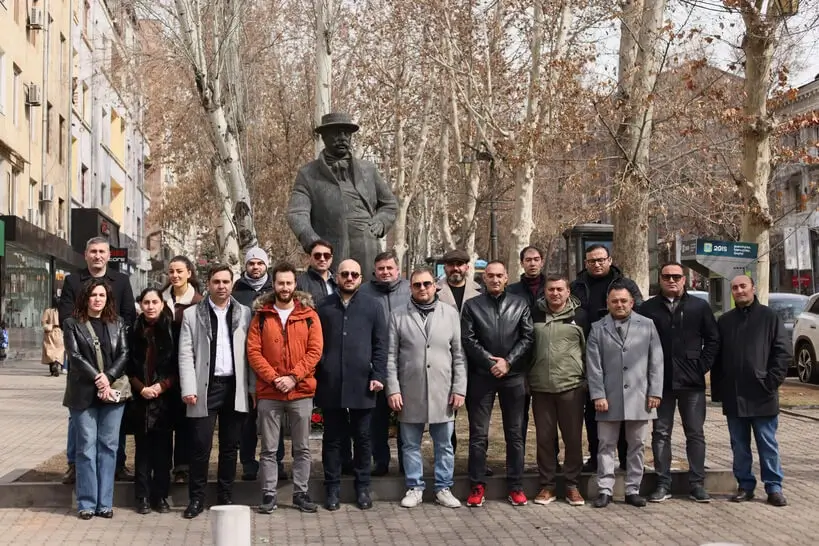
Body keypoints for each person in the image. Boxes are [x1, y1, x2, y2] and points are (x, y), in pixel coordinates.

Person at [247, 262, 323, 514]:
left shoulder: (309, 315)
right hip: (270, 392)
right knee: (269, 449)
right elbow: (254, 352)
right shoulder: (261, 316)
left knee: (302, 447)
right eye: (280, 283)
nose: (285, 287)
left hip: (301, 391)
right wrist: (274, 378)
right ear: (274, 284)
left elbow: (315, 351)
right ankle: (269, 494)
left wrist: (293, 377)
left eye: (289, 283)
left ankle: (301, 493)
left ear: (295, 284)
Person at [386, 267, 466, 509]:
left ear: (435, 286)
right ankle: (415, 487)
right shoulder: (398, 315)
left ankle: (443, 488)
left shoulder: (450, 314)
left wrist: (459, 388)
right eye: (417, 284)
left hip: (443, 390)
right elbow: (390, 357)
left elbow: (459, 355)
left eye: (427, 284)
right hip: (410, 390)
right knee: (410, 444)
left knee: (444, 444)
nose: (422, 288)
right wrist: (393, 389)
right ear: (410, 288)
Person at [178, 264, 253, 519]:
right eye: (216, 282)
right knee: (200, 446)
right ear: (208, 284)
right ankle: (196, 499)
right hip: (205, 388)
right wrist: (189, 388)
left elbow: (250, 354)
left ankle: (225, 496)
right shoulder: (193, 314)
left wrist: (252, 388)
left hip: (234, 386)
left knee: (230, 447)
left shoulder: (244, 313)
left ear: (232, 284)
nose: (221, 286)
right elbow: (185, 354)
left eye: (226, 282)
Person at [59, 237, 137, 485]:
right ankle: (74, 464)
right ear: (86, 254)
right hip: (83, 361)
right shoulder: (73, 281)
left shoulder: (121, 281)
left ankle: (118, 463)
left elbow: (128, 316)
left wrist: (115, 343)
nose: (98, 255)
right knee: (79, 415)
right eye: (93, 251)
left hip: (114, 358)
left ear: (109, 255)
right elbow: (66, 316)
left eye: (102, 251)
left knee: (114, 412)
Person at [641, 262, 719, 503]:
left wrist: (701, 367)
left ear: (684, 279)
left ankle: (697, 484)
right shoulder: (648, 308)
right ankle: (663, 483)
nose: (671, 280)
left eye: (676, 276)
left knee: (695, 433)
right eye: (667, 276)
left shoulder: (699, 306)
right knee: (660, 434)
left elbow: (713, 339)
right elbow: (639, 343)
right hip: (660, 384)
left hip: (692, 383)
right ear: (660, 279)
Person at [288, 112, 398, 280]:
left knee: (368, 293)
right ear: (324, 137)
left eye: (346, 134)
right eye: (336, 133)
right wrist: (315, 244)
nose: (342, 138)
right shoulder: (308, 174)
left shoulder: (368, 170)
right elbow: (297, 214)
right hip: (331, 252)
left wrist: (381, 221)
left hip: (367, 249)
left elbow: (389, 204)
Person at [711, 275, 790, 507]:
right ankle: (745, 486)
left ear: (753, 288)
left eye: (743, 286)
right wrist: (719, 391)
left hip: (762, 394)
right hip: (734, 395)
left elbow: (783, 352)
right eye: (735, 288)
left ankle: (774, 488)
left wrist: (771, 382)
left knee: (767, 444)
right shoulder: (725, 321)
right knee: (739, 445)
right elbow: (718, 359)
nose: (739, 290)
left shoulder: (769, 317)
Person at [316, 259, 388, 511]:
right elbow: (315, 343)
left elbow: (381, 345)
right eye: (344, 274)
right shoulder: (323, 306)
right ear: (336, 276)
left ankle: (363, 487)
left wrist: (378, 374)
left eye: (354, 274)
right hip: (331, 382)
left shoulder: (373, 306)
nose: (349, 278)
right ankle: (332, 487)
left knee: (363, 437)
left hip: (363, 383)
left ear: (361, 278)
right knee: (332, 439)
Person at [461, 261, 534, 508]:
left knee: (515, 433)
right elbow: (468, 339)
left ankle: (516, 486)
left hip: (513, 376)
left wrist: (508, 362)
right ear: (484, 278)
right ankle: (477, 485)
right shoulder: (472, 306)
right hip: (482, 376)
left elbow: (527, 337)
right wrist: (490, 362)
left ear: (506, 277)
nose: (494, 279)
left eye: (499, 275)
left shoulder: (520, 304)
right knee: (478, 434)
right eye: (490, 275)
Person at [586, 282, 663, 509]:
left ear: (631, 302)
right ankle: (605, 490)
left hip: (640, 396)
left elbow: (656, 361)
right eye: (614, 301)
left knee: (637, 445)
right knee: (606, 444)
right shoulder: (598, 328)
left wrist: (655, 392)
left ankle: (633, 489)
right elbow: (594, 366)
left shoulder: (647, 325)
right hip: (608, 398)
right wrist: (598, 395)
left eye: (623, 301)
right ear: (608, 303)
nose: (619, 305)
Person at [570, 244, 642, 473]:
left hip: (621, 353)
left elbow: (638, 313)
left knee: (623, 410)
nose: (597, 264)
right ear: (586, 263)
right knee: (594, 411)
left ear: (610, 260)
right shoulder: (576, 286)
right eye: (592, 261)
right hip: (586, 352)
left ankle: (625, 458)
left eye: (601, 259)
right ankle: (596, 458)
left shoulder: (626, 285)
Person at [62, 278, 131, 520]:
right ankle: (87, 503)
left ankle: (105, 503)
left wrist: (108, 376)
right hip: (83, 394)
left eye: (102, 295)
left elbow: (124, 353)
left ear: (108, 298)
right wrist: (98, 378)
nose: (98, 299)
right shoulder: (72, 323)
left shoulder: (117, 322)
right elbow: (74, 356)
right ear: (85, 298)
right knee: (86, 447)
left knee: (109, 447)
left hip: (112, 393)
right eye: (93, 295)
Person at [529, 274, 589, 507]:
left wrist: (586, 380)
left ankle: (572, 485)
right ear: (545, 292)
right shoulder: (534, 314)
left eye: (559, 289)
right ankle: (548, 485)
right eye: (551, 289)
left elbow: (588, 351)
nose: (555, 293)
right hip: (540, 388)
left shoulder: (580, 317)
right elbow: (527, 347)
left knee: (572, 439)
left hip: (571, 387)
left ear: (567, 292)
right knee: (544, 439)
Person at [232, 247, 287, 483]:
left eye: (260, 263)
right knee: (247, 418)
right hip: (244, 362)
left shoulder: (275, 291)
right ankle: (248, 463)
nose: (255, 267)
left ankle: (277, 461)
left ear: (266, 265)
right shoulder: (237, 291)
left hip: (272, 364)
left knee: (274, 417)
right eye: (251, 263)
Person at [358, 250, 411, 476]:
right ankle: (380, 461)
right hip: (376, 364)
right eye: (381, 269)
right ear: (375, 271)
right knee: (376, 419)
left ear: (398, 270)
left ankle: (407, 463)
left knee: (406, 418)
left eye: (390, 268)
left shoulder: (410, 289)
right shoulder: (364, 292)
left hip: (405, 364)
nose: (385, 272)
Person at [507, 245, 557, 468]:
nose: (532, 263)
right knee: (518, 419)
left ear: (542, 261)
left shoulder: (552, 287)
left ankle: (551, 462)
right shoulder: (513, 291)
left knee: (548, 419)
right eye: (528, 260)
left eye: (536, 259)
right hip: (519, 361)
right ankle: (517, 464)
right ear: (522, 263)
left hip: (547, 357)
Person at [128, 288, 177, 515]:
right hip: (140, 397)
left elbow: (177, 365)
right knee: (142, 451)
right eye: (146, 302)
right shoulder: (133, 330)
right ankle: (143, 497)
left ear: (162, 304)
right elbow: (128, 365)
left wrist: (162, 386)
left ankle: (161, 496)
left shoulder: (172, 329)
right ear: (140, 305)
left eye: (154, 302)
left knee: (163, 452)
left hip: (165, 398)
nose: (150, 306)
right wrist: (142, 388)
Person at [436, 248, 482, 459]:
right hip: (446, 362)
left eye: (459, 264)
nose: (455, 268)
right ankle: (448, 459)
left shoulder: (479, 291)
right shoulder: (434, 291)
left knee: (478, 417)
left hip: (476, 362)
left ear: (466, 267)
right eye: (451, 264)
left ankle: (478, 460)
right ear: (445, 267)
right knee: (447, 417)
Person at [161, 256, 203, 485]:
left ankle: (182, 467)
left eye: (179, 271)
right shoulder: (160, 299)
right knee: (164, 419)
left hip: (189, 367)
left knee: (185, 420)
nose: (175, 275)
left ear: (189, 273)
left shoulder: (198, 302)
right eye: (171, 271)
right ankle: (162, 466)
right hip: (163, 368)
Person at [296, 240, 339, 304]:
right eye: (317, 255)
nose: (322, 259)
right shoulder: (299, 283)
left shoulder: (339, 280)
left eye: (326, 256)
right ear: (309, 257)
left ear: (331, 258)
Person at [42, 297, 65, 377]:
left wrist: (48, 325)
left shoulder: (48, 311)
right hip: (59, 332)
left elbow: (43, 322)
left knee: (49, 350)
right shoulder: (61, 311)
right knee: (59, 351)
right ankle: (56, 364)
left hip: (50, 332)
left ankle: (52, 369)